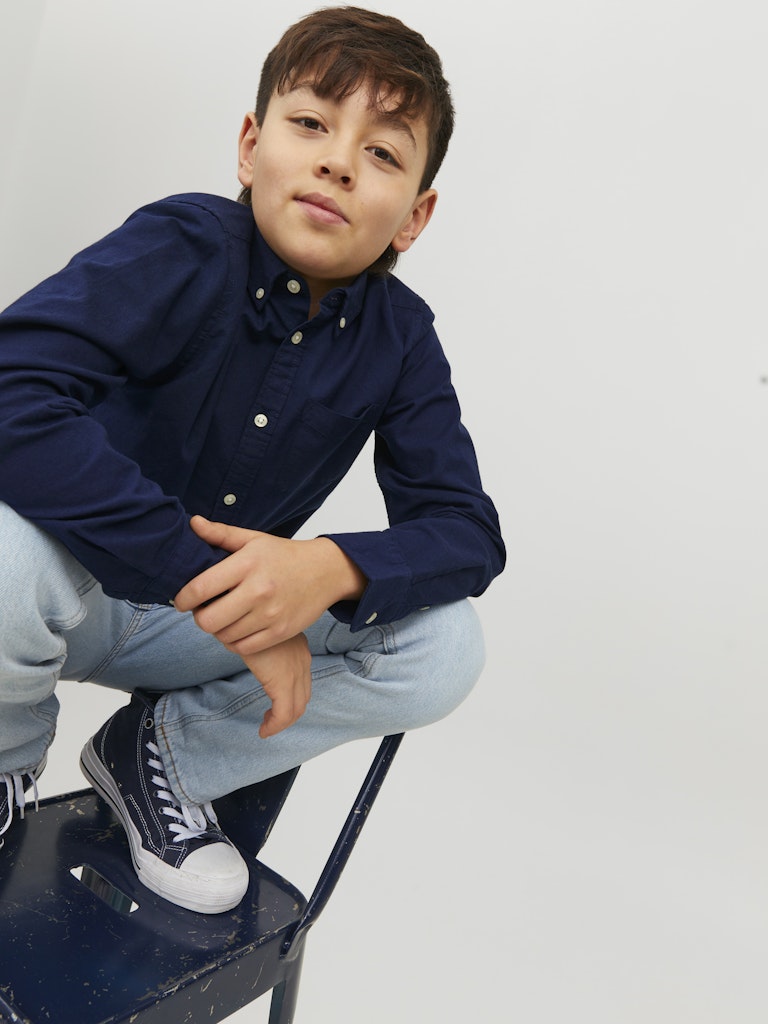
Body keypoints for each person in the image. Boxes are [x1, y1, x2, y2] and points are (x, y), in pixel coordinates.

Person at [0, 6, 505, 914]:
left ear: (415, 216)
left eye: (383, 154)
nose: (338, 161)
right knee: (5, 555)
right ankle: (2, 771)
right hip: (68, 590)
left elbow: (467, 530)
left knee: (444, 645)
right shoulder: (179, 242)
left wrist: (325, 568)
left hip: (193, 634)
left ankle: (165, 758)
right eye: (310, 123)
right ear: (249, 144)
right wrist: (216, 588)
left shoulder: (402, 339)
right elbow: (12, 391)